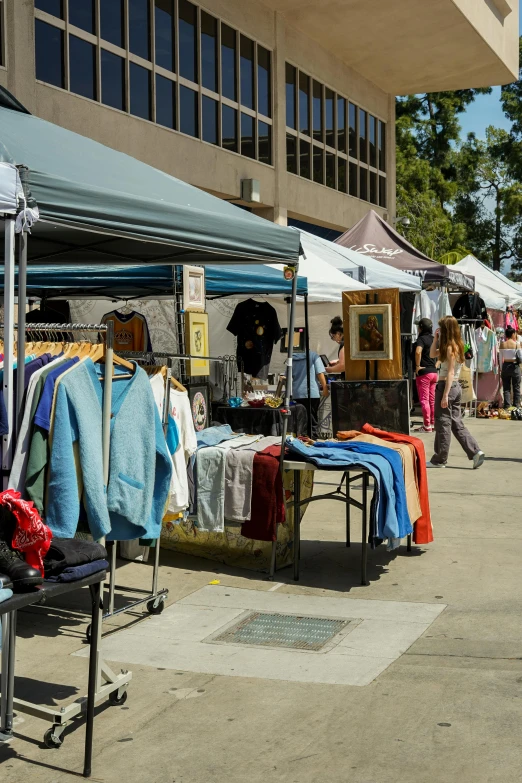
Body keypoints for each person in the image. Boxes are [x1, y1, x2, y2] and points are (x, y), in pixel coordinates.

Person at [428, 315, 485, 469]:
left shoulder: (449, 347)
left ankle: (440, 459)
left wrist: (445, 394)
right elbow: (432, 354)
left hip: (447, 386)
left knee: (443, 423)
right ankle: (475, 451)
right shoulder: (457, 345)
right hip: (455, 387)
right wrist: (435, 339)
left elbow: (450, 373)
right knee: (456, 423)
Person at [292, 350, 328, 436]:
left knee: (299, 419)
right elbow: (320, 373)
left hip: (297, 393)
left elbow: (287, 375)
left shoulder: (292, 358)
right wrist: (325, 387)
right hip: (312, 393)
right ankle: (312, 438)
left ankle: (300, 438)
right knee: (312, 418)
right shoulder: (313, 356)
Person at [413, 318, 438, 433]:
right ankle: (432, 424)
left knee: (424, 400)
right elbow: (440, 353)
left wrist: (417, 366)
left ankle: (426, 426)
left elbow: (418, 351)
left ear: (421, 328)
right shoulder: (434, 339)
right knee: (432, 400)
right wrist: (436, 365)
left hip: (424, 373)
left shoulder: (421, 339)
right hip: (434, 372)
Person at [499, 326, 521, 408]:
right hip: (515, 366)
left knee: (506, 388)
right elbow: (521, 357)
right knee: (516, 387)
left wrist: (501, 369)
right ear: (513, 334)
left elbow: (500, 358)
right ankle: (516, 406)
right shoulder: (517, 344)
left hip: (505, 365)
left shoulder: (502, 344)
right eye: (515, 333)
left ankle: (507, 406)